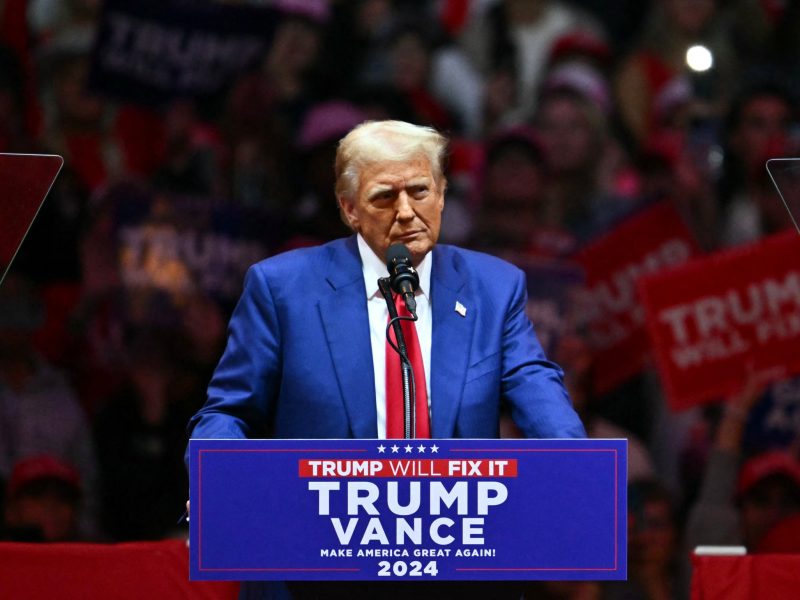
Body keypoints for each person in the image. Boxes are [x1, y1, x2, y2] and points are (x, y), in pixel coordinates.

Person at [186, 119, 585, 599]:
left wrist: (572, 463)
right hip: (316, 575)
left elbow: (535, 384)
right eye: (383, 197)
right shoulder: (283, 289)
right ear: (349, 208)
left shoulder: (493, 289)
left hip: (459, 573)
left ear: (441, 196)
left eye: (420, 191)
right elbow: (229, 411)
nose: (406, 212)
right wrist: (222, 475)